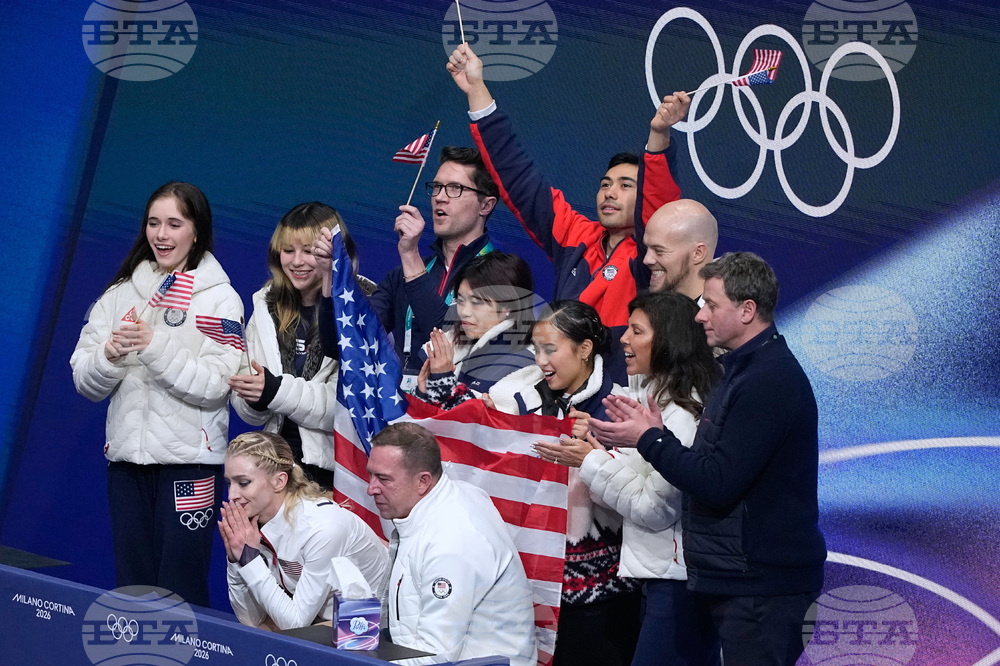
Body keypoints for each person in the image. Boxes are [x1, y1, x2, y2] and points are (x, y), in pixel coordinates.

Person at [589, 252, 827, 665]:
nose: (700, 316)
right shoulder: (742, 372)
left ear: (747, 310)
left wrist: (649, 439)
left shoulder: (768, 380)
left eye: (711, 305)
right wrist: (651, 437)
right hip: (743, 579)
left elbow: (717, 483)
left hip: (763, 585)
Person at [70, 181, 242, 607]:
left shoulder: (222, 300)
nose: (161, 235)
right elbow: (84, 381)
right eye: (153, 223)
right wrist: (109, 356)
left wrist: (154, 347)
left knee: (180, 589)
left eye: (174, 224)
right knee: (132, 588)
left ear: (197, 231)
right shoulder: (119, 293)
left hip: (190, 467)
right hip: (127, 466)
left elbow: (217, 385)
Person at [534, 292, 723, 665]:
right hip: (658, 577)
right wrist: (601, 450)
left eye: (637, 331)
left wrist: (591, 460)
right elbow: (636, 487)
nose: (623, 339)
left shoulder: (682, 413)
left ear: (668, 339)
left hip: (677, 582)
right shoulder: (657, 400)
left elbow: (655, 509)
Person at [446, 43, 688, 331]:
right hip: (558, 358)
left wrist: (659, 135)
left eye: (626, 185)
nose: (610, 192)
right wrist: (476, 90)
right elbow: (519, 178)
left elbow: (657, 204)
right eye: (605, 184)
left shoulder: (650, 256)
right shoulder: (577, 235)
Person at [486, 301, 642, 666]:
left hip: (599, 595)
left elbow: (638, 499)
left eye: (550, 350)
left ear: (584, 349)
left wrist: (593, 454)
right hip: (524, 586)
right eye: (536, 350)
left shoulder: (620, 408)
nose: (540, 361)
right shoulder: (515, 400)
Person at [366, 423, 536, 666]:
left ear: (423, 481)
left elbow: (435, 656)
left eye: (384, 479)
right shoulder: (450, 498)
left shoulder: (450, 542)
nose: (371, 489)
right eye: (371, 475)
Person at [229, 203, 367, 488]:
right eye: (288, 250)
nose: (297, 261)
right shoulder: (266, 307)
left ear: (333, 250)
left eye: (309, 251)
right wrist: (255, 399)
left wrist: (274, 390)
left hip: (339, 472)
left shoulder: (361, 305)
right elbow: (249, 412)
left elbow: (345, 407)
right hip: (275, 467)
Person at [359, 145, 501, 387]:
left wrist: (409, 254)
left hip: (459, 405)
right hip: (402, 405)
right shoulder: (401, 276)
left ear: (485, 205)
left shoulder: (501, 275)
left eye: (455, 188)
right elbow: (345, 340)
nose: (439, 197)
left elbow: (448, 338)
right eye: (437, 186)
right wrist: (331, 279)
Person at [220, 431, 388, 630]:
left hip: (373, 626)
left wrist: (250, 561)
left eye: (243, 483)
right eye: (229, 483)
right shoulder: (254, 525)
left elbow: (296, 624)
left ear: (279, 481)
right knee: (256, 634)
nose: (232, 495)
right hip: (324, 620)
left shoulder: (322, 529)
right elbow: (251, 621)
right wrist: (237, 561)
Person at [416, 251, 535, 409]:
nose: (464, 312)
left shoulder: (529, 362)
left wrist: (444, 380)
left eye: (476, 303)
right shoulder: (449, 345)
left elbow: (494, 422)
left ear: (509, 305)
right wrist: (424, 394)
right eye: (460, 300)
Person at [636, 199, 719, 299]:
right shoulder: (647, 306)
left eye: (659, 251)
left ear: (698, 253)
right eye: (646, 248)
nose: (646, 260)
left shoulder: (726, 309)